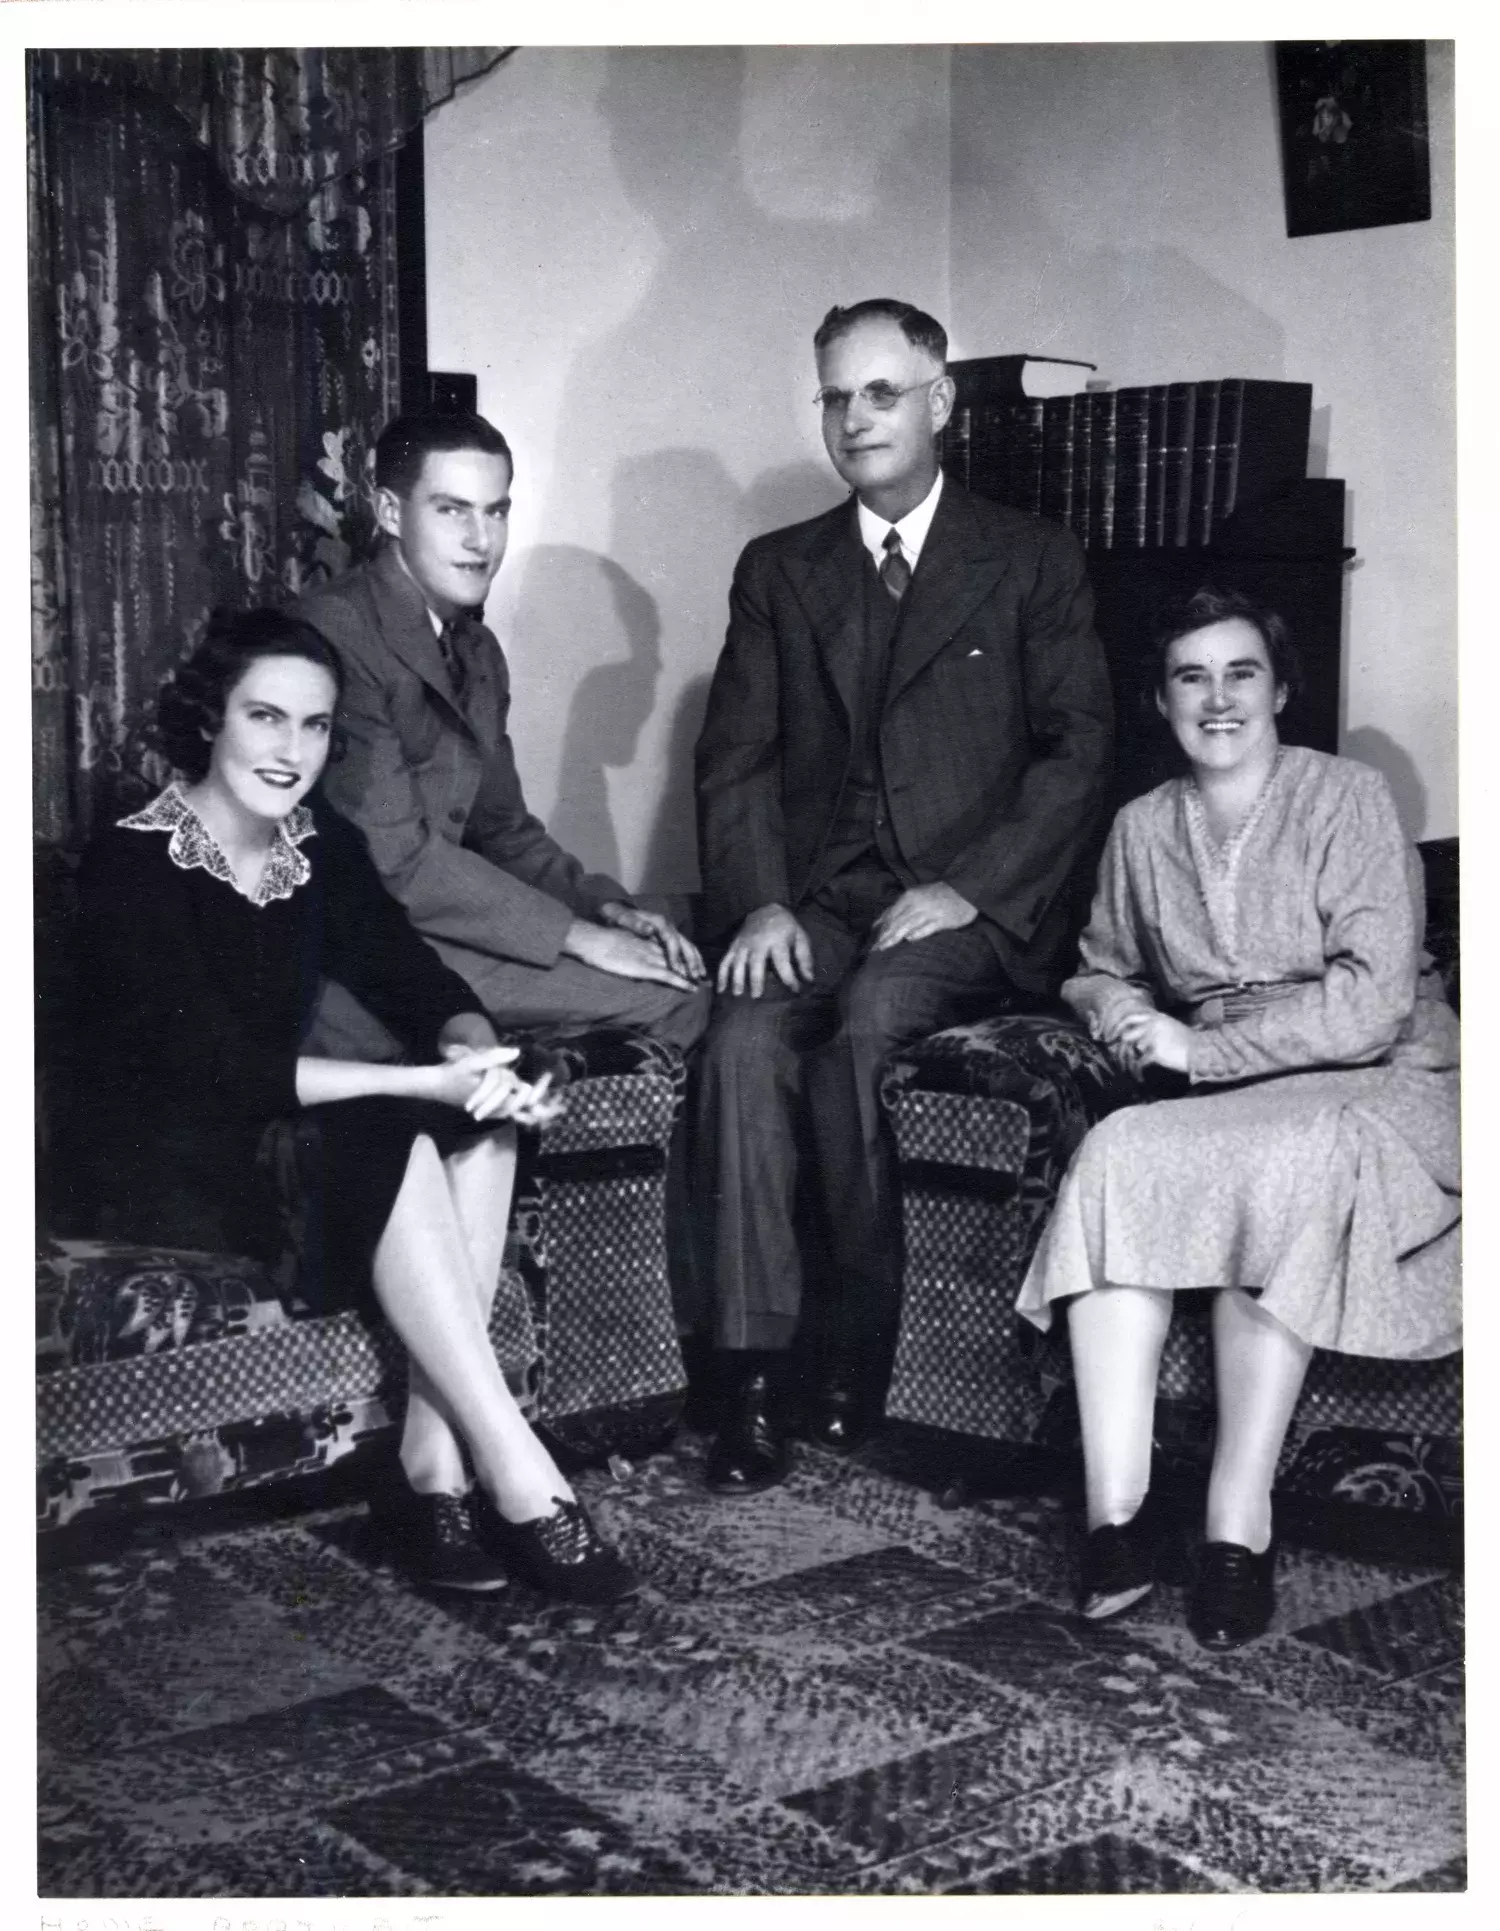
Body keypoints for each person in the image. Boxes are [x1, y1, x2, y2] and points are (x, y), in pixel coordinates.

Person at [70, 608, 639, 1604]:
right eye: (266, 716)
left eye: (317, 725)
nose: (292, 751)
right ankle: (518, 1467)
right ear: (212, 718)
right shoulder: (131, 858)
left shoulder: (315, 843)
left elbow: (402, 965)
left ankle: (430, 1464)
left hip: (262, 1129)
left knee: (482, 1113)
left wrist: (472, 1049)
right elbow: (215, 1069)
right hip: (152, 1160)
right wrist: (419, 1081)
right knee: (395, 1117)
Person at [693, 298, 1114, 1492]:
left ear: (940, 402)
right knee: (741, 1036)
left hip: (966, 907)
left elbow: (1077, 749)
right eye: (834, 395)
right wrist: (763, 903)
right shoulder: (779, 569)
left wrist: (970, 890)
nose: (853, 417)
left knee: (870, 1025)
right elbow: (737, 760)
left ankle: (857, 1351)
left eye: (880, 392)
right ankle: (752, 1373)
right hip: (820, 898)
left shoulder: (1032, 558)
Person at [1017, 587, 1461, 1648]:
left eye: (1241, 672)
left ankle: (1235, 1524)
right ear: (1161, 701)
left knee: (1294, 1153)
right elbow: (1097, 967)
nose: (1217, 699)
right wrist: (1120, 1005)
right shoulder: (1140, 827)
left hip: (1380, 1078)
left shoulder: (1346, 795)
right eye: (1191, 676)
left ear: (1282, 689)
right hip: (1230, 1097)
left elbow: (1373, 1000)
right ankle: (1114, 1518)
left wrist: (1202, 1048)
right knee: (1119, 1151)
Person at [292, 410, 709, 1060]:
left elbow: (505, 832)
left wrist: (606, 909)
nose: (480, 539)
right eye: (452, 510)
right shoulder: (337, 633)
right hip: (354, 951)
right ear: (390, 512)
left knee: (677, 936)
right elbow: (397, 864)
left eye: (496, 511)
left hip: (434, 927)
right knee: (677, 995)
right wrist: (575, 935)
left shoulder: (476, 649)